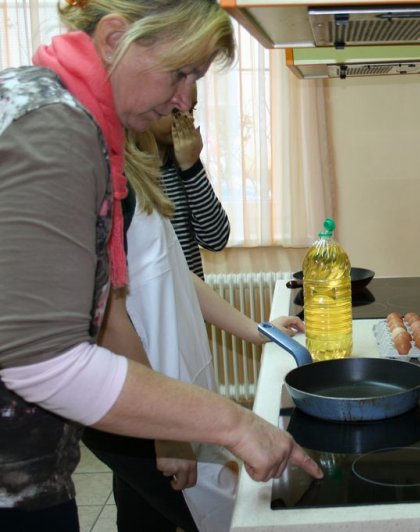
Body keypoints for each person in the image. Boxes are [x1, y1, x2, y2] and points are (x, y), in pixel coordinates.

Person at [0, 2, 321, 530]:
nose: (186, 98)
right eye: (181, 71)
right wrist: (228, 423)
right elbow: (46, 356)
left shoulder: (60, 113)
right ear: (114, 38)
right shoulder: (56, 130)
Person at [83, 129, 305, 532]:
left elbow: (175, 273)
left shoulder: (138, 165)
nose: (184, 106)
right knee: (210, 515)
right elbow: (107, 321)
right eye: (179, 81)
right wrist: (164, 428)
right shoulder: (98, 171)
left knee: (143, 513)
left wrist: (256, 330)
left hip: (161, 398)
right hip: (139, 404)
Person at [148, 82, 229, 279]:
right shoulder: (130, 173)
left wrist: (191, 167)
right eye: (176, 110)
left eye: (191, 108)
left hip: (190, 303)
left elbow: (216, 239)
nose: (188, 118)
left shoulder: (183, 162)